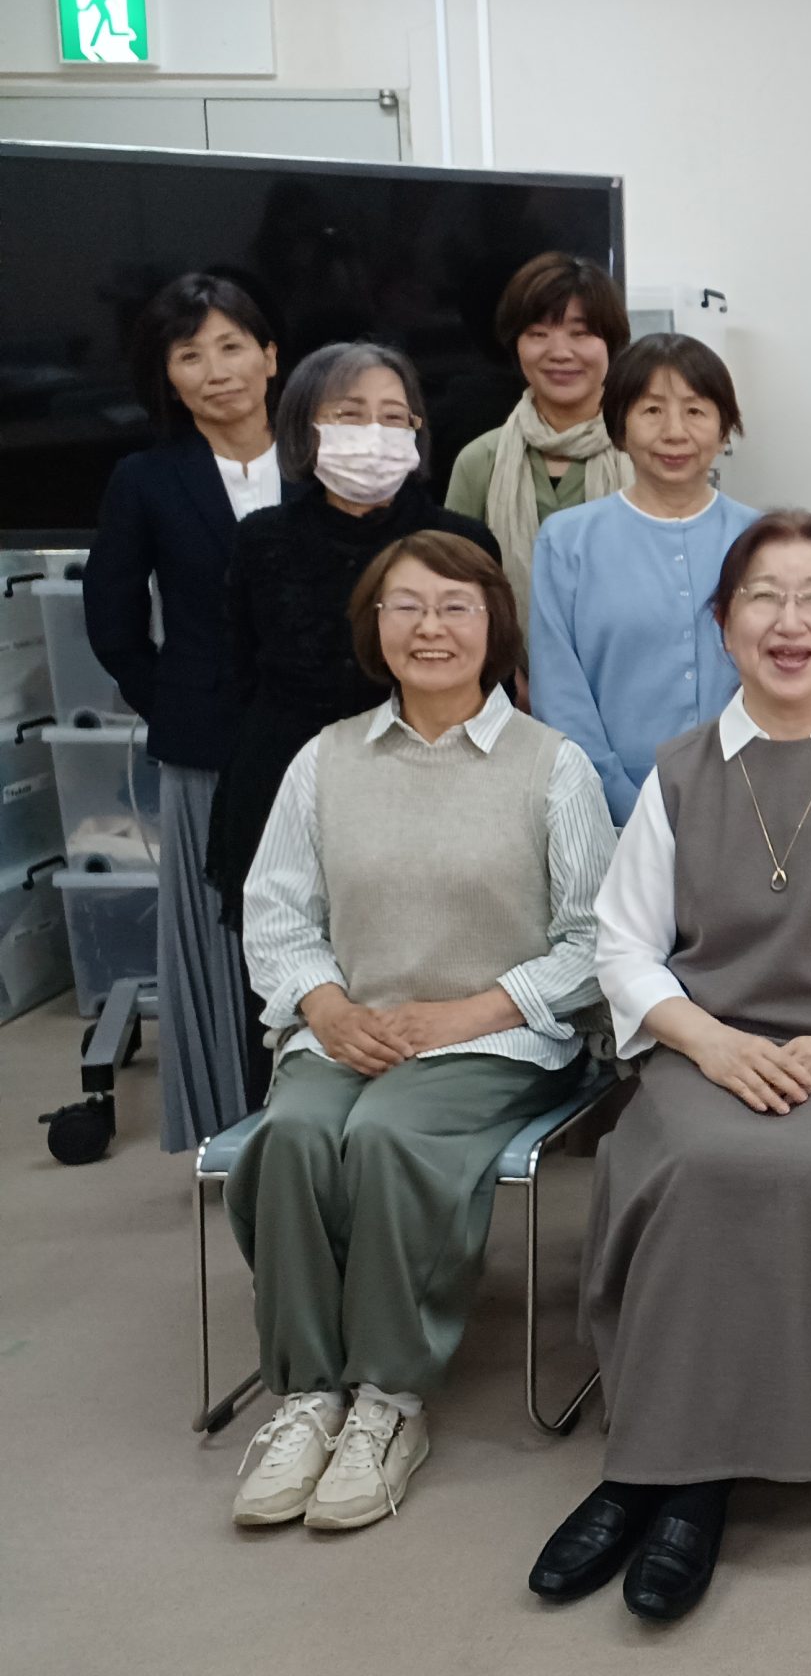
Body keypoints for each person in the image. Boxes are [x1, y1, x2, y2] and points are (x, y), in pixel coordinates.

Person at [533, 510, 811, 1622]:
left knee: (778, 1168)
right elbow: (623, 947)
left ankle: (673, 1480)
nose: (791, 622)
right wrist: (711, 1041)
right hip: (710, 1041)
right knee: (692, 1161)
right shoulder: (681, 769)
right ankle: (669, 1471)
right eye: (763, 598)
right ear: (725, 624)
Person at [227, 531, 614, 1533]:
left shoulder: (553, 766)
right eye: (405, 606)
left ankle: (388, 1400)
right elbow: (276, 914)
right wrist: (326, 1007)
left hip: (498, 1038)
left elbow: (592, 941)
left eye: (455, 607)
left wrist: (470, 1011)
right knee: (293, 1137)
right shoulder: (325, 761)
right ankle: (310, 1394)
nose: (430, 627)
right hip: (348, 1028)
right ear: (375, 626)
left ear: (494, 626)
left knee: (387, 1136)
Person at [82, 274, 281, 1146]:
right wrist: (176, 702)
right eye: (189, 355)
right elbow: (113, 622)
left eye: (232, 346)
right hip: (208, 747)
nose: (217, 370)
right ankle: (229, 1127)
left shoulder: (325, 458)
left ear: (271, 357)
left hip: (329, 738)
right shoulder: (146, 479)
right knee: (218, 940)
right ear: (166, 377)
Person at [206, 344, 499, 928]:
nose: (373, 433)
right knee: (283, 964)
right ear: (305, 427)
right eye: (349, 414)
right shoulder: (261, 539)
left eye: (393, 417)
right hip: (281, 784)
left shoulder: (461, 541)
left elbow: (490, 681)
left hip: (427, 788)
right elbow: (238, 670)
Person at [528, 332, 757, 826]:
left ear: (724, 429)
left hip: (750, 808)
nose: (674, 432)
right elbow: (560, 697)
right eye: (652, 410)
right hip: (606, 814)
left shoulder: (762, 540)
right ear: (619, 427)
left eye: (695, 411)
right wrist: (629, 809)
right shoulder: (566, 541)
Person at [445, 252, 634, 608]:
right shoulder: (480, 461)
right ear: (516, 345)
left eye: (580, 333)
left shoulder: (644, 455)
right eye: (538, 333)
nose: (559, 352)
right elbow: (451, 589)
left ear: (611, 342)